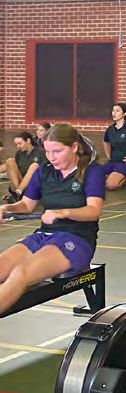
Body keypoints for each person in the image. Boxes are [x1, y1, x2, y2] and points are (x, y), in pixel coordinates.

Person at [0, 124, 104, 316]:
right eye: (47, 152)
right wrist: (7, 208)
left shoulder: (92, 171)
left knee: (21, 273)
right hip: (43, 235)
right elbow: (27, 205)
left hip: (76, 239)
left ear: (74, 147)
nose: (51, 157)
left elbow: (93, 211)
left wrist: (63, 212)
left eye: (57, 151)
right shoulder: (44, 170)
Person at [3, 131, 45, 203]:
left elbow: (45, 172)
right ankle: (17, 194)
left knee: (34, 165)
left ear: (28, 141)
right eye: (16, 144)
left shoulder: (41, 152)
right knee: (10, 161)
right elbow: (15, 171)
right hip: (20, 182)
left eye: (20, 143)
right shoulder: (19, 153)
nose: (18, 146)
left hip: (34, 184)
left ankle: (18, 194)